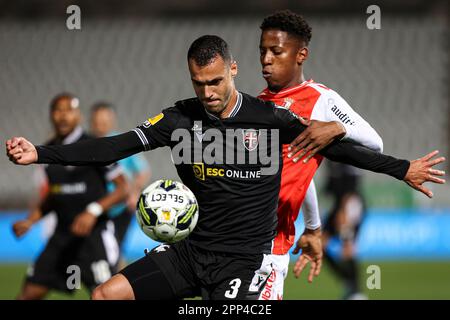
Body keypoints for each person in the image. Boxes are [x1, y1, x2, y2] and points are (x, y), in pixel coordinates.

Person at [6, 36, 445, 300]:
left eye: (216, 81)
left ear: (232, 70)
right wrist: (41, 153)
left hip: (245, 263)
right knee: (106, 294)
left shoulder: (270, 118)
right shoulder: (178, 118)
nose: (208, 92)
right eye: (199, 83)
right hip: (191, 253)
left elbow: (339, 150)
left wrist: (401, 167)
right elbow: (114, 147)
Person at [256, 10, 385, 298]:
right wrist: (313, 226)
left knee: (347, 244)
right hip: (243, 238)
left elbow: (376, 143)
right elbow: (297, 174)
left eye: (276, 51)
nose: (266, 59)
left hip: (273, 244)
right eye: (262, 51)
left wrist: (337, 127)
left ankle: (355, 291)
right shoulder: (256, 104)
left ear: (301, 55)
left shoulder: (321, 99)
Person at [11, 93, 128, 299]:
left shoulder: (94, 146)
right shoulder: (45, 153)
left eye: (69, 110)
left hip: (94, 238)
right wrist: (30, 221)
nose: (63, 116)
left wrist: (93, 211)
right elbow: (54, 196)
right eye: (58, 110)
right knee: (27, 294)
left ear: (79, 116)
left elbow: (122, 189)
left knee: (109, 295)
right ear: (51, 115)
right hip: (62, 237)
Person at [90, 102, 151, 258]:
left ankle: (116, 279)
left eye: (104, 120)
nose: (100, 125)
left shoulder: (121, 143)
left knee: (114, 249)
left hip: (119, 207)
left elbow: (143, 171)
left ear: (112, 120)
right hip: (94, 206)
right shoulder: (86, 144)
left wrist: (134, 191)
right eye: (97, 121)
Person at [322, 162, 367, 299]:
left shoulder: (346, 159)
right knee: (320, 245)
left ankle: (356, 292)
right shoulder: (329, 161)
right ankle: (349, 283)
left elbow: (351, 188)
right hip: (336, 208)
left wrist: (344, 212)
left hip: (349, 207)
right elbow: (329, 189)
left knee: (347, 248)